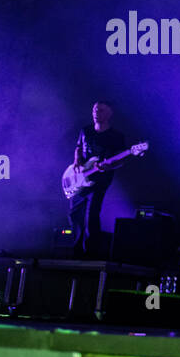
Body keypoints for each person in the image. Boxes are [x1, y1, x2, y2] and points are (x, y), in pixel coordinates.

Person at [68, 101, 126, 258]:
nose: (96, 113)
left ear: (109, 114)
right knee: (74, 214)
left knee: (91, 214)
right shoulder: (85, 130)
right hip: (82, 178)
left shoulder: (116, 137)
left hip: (101, 179)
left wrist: (108, 166)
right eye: (94, 109)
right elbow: (78, 148)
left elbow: (120, 161)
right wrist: (76, 162)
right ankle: (76, 252)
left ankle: (91, 254)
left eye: (100, 110)